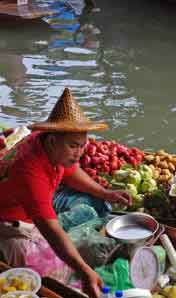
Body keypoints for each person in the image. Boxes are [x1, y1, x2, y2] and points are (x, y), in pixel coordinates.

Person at [0, 88, 132, 298]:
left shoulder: (49, 145)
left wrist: (106, 193)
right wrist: (85, 271)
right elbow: (51, 229)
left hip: (31, 210)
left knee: (90, 208)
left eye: (83, 146)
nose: (79, 152)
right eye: (73, 146)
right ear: (52, 141)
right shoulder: (29, 172)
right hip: (9, 223)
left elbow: (71, 172)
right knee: (43, 273)